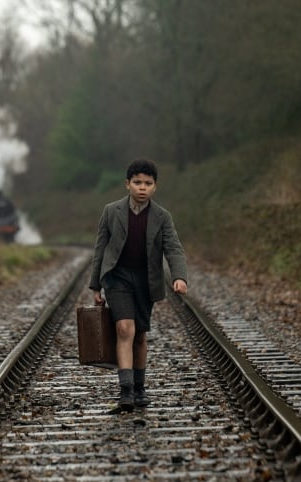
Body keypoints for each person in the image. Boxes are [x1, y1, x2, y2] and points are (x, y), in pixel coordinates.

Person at [89, 158, 188, 412]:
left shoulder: (162, 217)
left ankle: (140, 387)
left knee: (140, 335)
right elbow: (100, 249)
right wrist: (95, 286)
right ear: (127, 184)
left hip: (146, 280)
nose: (142, 187)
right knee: (124, 329)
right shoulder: (112, 211)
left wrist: (179, 276)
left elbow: (173, 248)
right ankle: (126, 391)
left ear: (155, 187)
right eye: (137, 183)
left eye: (148, 183)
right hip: (117, 277)